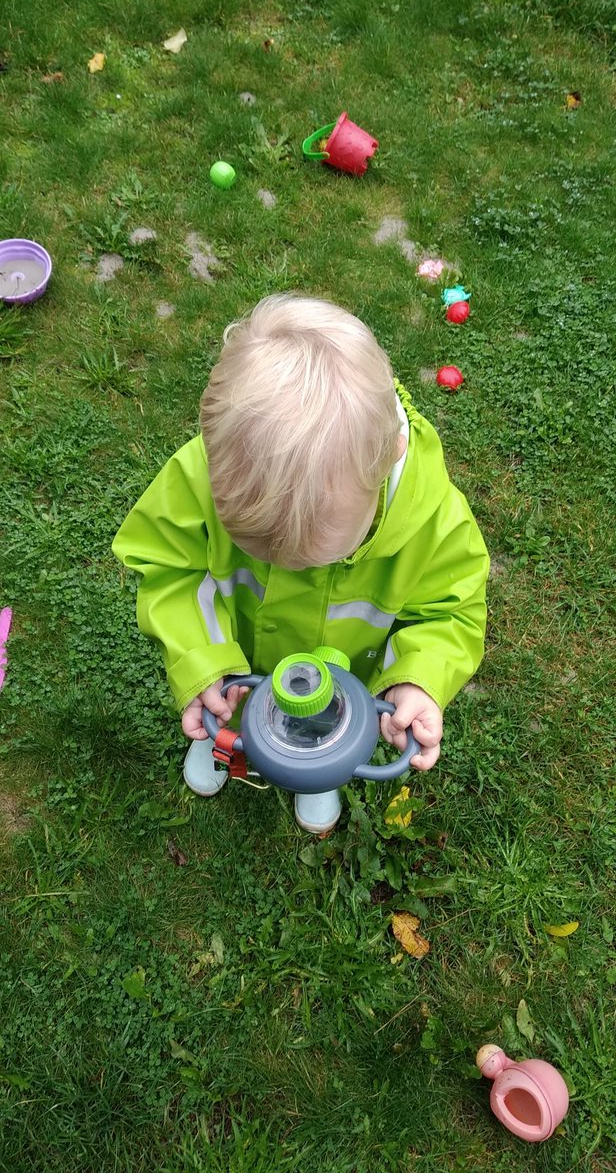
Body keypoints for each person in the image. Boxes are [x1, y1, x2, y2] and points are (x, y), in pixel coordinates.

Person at [112, 294, 489, 833]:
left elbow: (450, 614)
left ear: (387, 461)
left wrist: (420, 678)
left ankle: (323, 771)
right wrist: (202, 661)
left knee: (328, 725)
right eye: (257, 550)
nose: (290, 571)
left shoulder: (434, 522)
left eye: (322, 556)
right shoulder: (204, 475)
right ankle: (224, 747)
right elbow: (169, 570)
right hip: (235, 667)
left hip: (344, 688)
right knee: (235, 710)